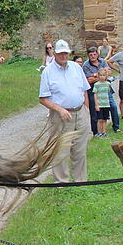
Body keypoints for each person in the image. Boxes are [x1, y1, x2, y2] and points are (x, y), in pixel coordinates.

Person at [38, 39, 90, 183]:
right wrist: (59, 109)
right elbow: (42, 98)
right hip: (60, 115)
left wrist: (86, 110)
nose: (63, 56)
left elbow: (85, 90)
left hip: (80, 112)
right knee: (60, 150)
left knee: (80, 149)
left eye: (66, 53)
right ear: (54, 53)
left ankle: (80, 180)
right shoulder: (48, 72)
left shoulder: (76, 67)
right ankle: (61, 181)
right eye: (60, 53)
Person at [82, 46, 119, 135]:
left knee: (113, 107)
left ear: (97, 54)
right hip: (94, 90)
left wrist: (95, 75)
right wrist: (102, 75)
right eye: (91, 55)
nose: (93, 56)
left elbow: (109, 72)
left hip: (106, 90)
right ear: (88, 56)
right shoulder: (85, 65)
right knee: (94, 110)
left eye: (94, 54)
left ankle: (116, 127)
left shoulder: (103, 61)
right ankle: (95, 131)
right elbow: (88, 80)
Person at [91, 69, 113, 138]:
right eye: (100, 75)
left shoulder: (108, 84)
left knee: (105, 119)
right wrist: (96, 104)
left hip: (106, 104)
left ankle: (104, 131)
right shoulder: (96, 85)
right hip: (100, 104)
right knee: (100, 119)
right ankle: (99, 132)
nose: (102, 77)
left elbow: (109, 93)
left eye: (103, 75)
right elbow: (95, 94)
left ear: (106, 76)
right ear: (98, 76)